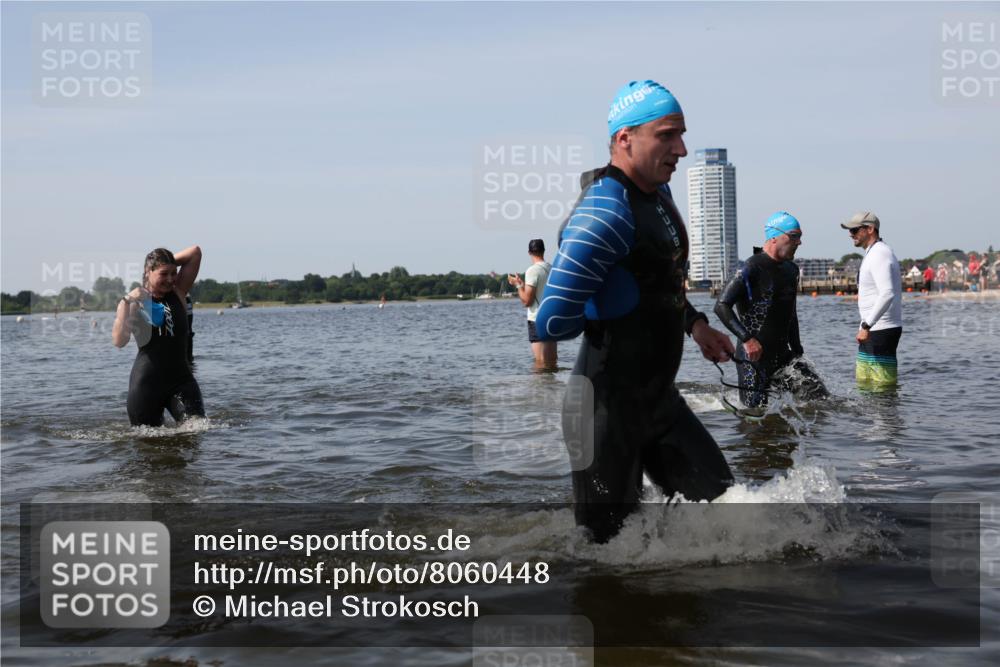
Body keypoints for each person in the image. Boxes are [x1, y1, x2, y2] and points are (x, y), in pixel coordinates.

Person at [536, 80, 736, 543]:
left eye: (681, 134)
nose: (681, 149)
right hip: (604, 414)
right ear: (625, 139)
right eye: (667, 135)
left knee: (728, 519)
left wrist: (696, 324)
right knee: (603, 553)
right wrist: (591, 295)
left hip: (659, 402)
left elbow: (655, 284)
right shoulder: (604, 210)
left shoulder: (657, 195)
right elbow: (550, 323)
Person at [714, 212, 828, 408]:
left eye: (800, 236)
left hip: (783, 355)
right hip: (754, 358)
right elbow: (721, 306)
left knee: (822, 402)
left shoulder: (791, 270)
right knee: (754, 414)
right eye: (794, 236)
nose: (799, 242)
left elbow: (790, 312)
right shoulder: (749, 268)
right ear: (774, 237)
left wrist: (797, 347)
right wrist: (747, 339)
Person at [112, 246, 205, 426]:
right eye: (164, 274)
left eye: (173, 273)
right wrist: (126, 301)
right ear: (149, 272)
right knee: (148, 443)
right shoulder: (134, 303)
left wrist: (164, 262)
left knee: (197, 430)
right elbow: (119, 341)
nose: (170, 279)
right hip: (147, 385)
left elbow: (195, 253)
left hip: (182, 381)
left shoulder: (178, 293)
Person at [842, 212, 902, 388]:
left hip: (881, 329)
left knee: (882, 388)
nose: (850, 234)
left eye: (854, 230)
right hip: (872, 328)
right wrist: (864, 325)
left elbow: (887, 293)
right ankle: (867, 417)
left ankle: (887, 416)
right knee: (865, 384)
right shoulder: (873, 253)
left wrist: (867, 325)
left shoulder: (880, 254)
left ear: (870, 229)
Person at [508, 239, 556, 368]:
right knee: (552, 362)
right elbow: (540, 291)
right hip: (551, 319)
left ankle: (539, 388)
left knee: (540, 362)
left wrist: (518, 285)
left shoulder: (532, 271)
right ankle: (553, 388)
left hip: (537, 319)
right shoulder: (552, 268)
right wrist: (523, 284)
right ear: (544, 251)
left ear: (529, 252)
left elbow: (527, 301)